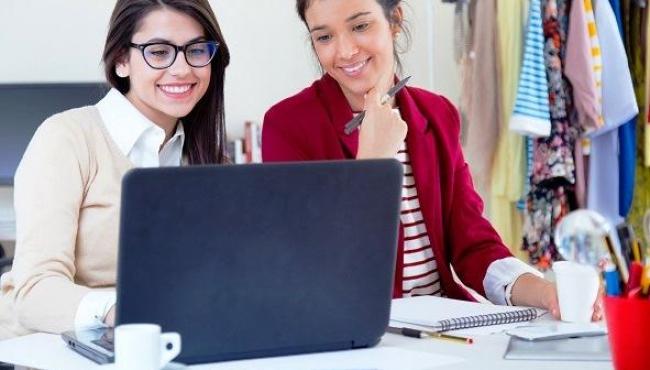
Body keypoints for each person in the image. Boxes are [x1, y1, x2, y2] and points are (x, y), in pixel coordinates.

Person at [263, 0, 602, 319]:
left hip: (443, 326)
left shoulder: (438, 114)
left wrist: (544, 293)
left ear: (394, 21)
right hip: (355, 331)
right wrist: (372, 167)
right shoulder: (288, 126)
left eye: (360, 26)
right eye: (324, 36)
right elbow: (310, 269)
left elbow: (473, 244)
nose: (345, 51)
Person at [0, 0, 229, 339]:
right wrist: (124, 311)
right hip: (58, 348)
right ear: (122, 59)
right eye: (160, 52)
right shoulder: (67, 137)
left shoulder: (206, 158)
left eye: (196, 51)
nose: (182, 69)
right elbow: (33, 291)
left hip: (158, 345)